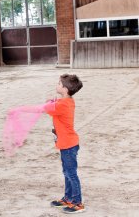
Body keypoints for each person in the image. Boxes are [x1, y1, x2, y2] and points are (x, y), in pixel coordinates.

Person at [45, 74, 85, 214]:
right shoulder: (67, 101)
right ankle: (68, 198)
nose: (57, 85)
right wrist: (53, 103)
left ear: (65, 89)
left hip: (68, 145)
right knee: (67, 172)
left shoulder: (62, 104)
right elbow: (54, 109)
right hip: (66, 144)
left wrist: (50, 103)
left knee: (71, 174)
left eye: (59, 84)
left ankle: (78, 203)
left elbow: (48, 109)